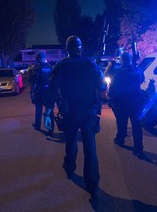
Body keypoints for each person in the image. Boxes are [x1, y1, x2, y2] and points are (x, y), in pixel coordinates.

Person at [43, 35, 107, 197]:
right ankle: (92, 183)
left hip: (70, 111)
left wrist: (48, 112)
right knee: (89, 146)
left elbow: (52, 89)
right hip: (88, 111)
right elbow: (102, 85)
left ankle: (69, 168)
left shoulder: (61, 66)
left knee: (71, 142)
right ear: (81, 48)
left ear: (67, 49)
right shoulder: (91, 65)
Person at [108, 52, 145, 157]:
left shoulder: (118, 72)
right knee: (136, 125)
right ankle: (138, 147)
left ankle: (120, 140)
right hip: (136, 102)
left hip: (122, 102)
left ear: (122, 60)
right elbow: (142, 79)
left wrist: (110, 97)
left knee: (121, 123)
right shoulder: (137, 70)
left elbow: (113, 86)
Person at [30, 52, 54, 134]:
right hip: (49, 92)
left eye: (36, 58)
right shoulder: (51, 67)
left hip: (39, 92)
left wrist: (32, 91)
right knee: (49, 111)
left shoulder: (37, 68)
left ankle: (37, 125)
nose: (36, 60)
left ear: (39, 58)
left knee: (38, 109)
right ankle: (51, 128)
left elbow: (35, 82)